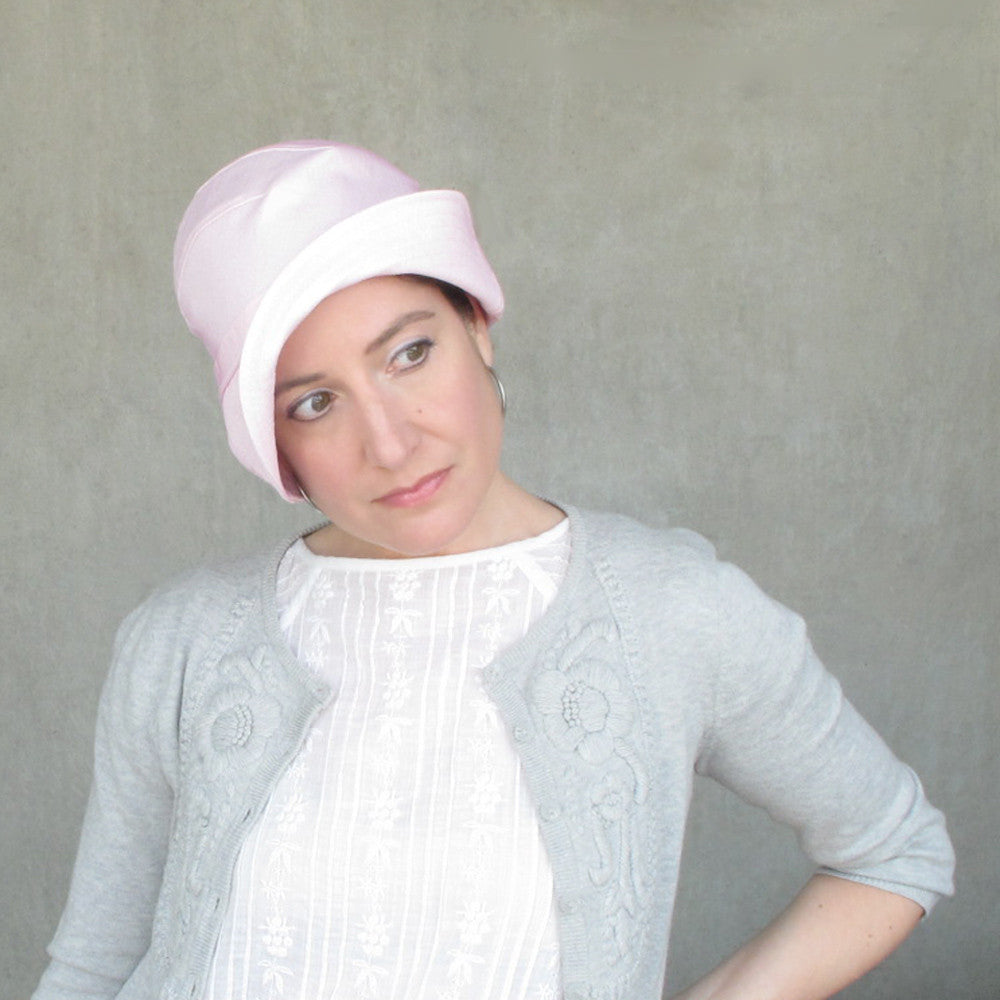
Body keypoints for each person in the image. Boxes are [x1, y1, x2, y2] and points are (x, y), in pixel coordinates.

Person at [33, 141, 954, 1000]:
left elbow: (893, 851)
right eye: (315, 402)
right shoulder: (184, 639)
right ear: (276, 445)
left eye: (410, 353)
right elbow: (94, 964)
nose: (390, 443)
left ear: (477, 324)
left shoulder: (669, 612)